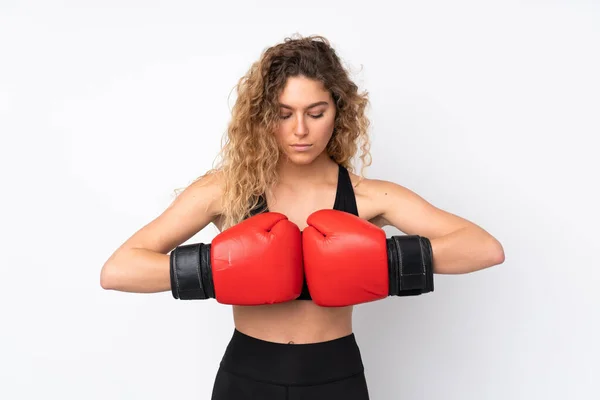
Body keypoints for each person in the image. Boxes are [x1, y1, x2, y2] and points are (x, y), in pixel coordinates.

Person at [100, 34, 505, 400]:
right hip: (246, 378)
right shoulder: (226, 190)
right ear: (262, 116)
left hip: (337, 377)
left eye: (315, 112)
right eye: (283, 113)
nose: (299, 130)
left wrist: (382, 262)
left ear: (338, 112)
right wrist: (217, 269)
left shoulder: (368, 196)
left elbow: (484, 249)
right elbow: (118, 270)